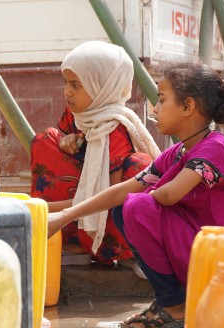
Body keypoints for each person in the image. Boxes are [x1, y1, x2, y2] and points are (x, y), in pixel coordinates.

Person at [48, 62, 224, 328]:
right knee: (125, 207)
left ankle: (174, 307)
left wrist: (145, 192)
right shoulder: (180, 151)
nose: (154, 109)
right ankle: (172, 302)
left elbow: (169, 195)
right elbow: (122, 190)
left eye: (161, 100)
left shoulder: (216, 147)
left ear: (187, 106)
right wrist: (64, 217)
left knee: (137, 205)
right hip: (202, 249)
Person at [31, 41, 160, 271]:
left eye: (76, 85)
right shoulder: (77, 112)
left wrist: (47, 210)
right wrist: (66, 140)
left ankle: (125, 251)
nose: (66, 92)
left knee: (140, 164)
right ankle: (72, 244)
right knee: (46, 140)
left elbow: (107, 197)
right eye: (66, 83)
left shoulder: (114, 127)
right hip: (78, 208)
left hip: (105, 216)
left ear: (103, 87)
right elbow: (67, 141)